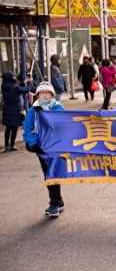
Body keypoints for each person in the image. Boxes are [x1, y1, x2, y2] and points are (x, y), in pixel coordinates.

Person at [23, 82, 66, 217]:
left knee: (52, 173)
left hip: (55, 147)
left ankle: (54, 203)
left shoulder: (58, 108)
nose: (45, 95)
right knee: (48, 174)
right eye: (42, 93)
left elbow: (65, 125)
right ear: (38, 95)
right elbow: (28, 129)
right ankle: (58, 200)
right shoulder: (33, 110)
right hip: (41, 149)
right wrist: (33, 143)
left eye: (48, 93)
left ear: (52, 95)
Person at [2, 71, 31, 152]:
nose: (15, 77)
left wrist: (24, 82)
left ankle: (6, 146)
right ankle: (11, 145)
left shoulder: (3, 86)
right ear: (11, 78)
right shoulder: (15, 87)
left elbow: (15, 87)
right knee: (14, 127)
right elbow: (26, 90)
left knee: (8, 128)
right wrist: (29, 83)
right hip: (15, 109)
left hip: (7, 108)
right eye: (13, 76)